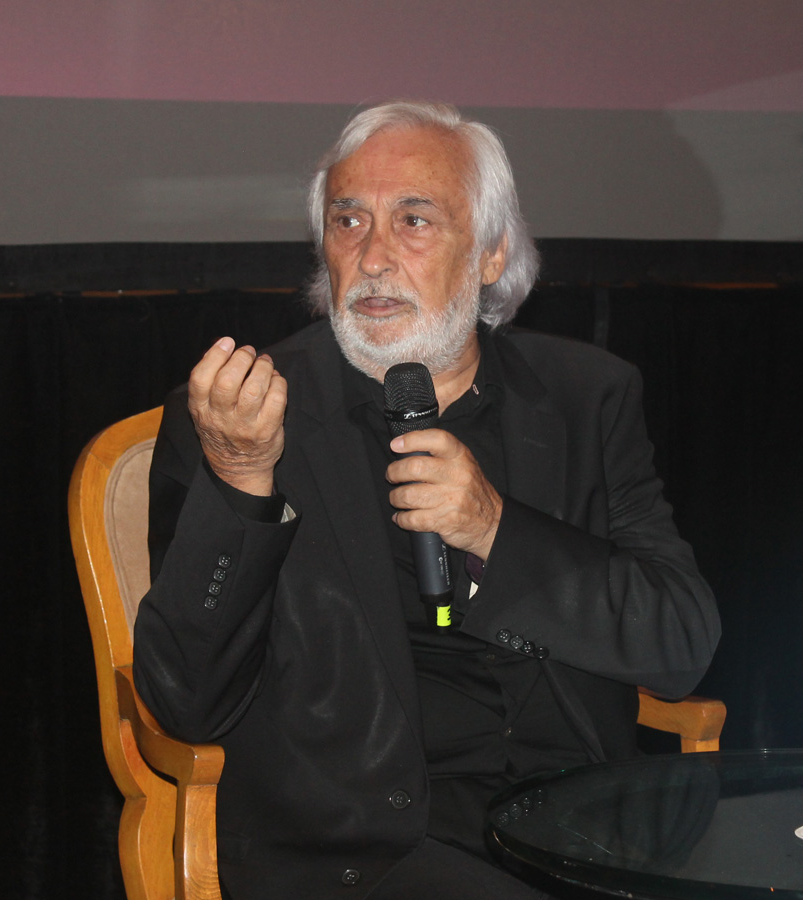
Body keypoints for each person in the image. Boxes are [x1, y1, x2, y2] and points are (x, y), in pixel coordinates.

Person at [133, 100, 720, 900]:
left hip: (585, 832)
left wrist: (496, 528)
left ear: (490, 253)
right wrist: (241, 480)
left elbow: (681, 645)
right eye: (348, 222)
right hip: (366, 852)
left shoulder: (586, 397)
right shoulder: (252, 418)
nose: (373, 256)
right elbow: (186, 702)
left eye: (414, 221)